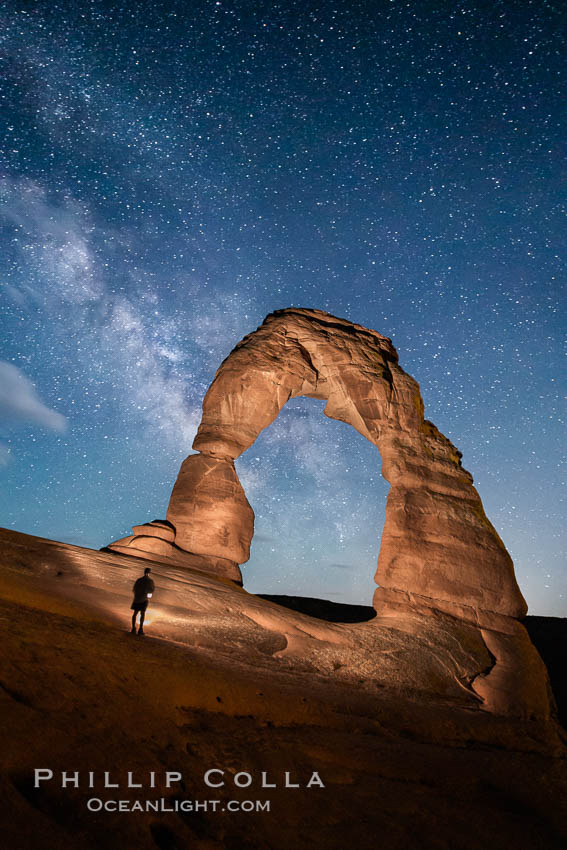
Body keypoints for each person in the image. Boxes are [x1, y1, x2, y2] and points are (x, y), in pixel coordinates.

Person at [130, 567, 155, 635]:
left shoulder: (139, 580)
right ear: (149, 573)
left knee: (135, 613)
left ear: (144, 572)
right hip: (144, 599)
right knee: (142, 614)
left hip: (137, 598)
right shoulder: (150, 581)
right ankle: (140, 629)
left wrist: (137, 595)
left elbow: (134, 589)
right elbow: (152, 590)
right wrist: (147, 593)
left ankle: (133, 628)